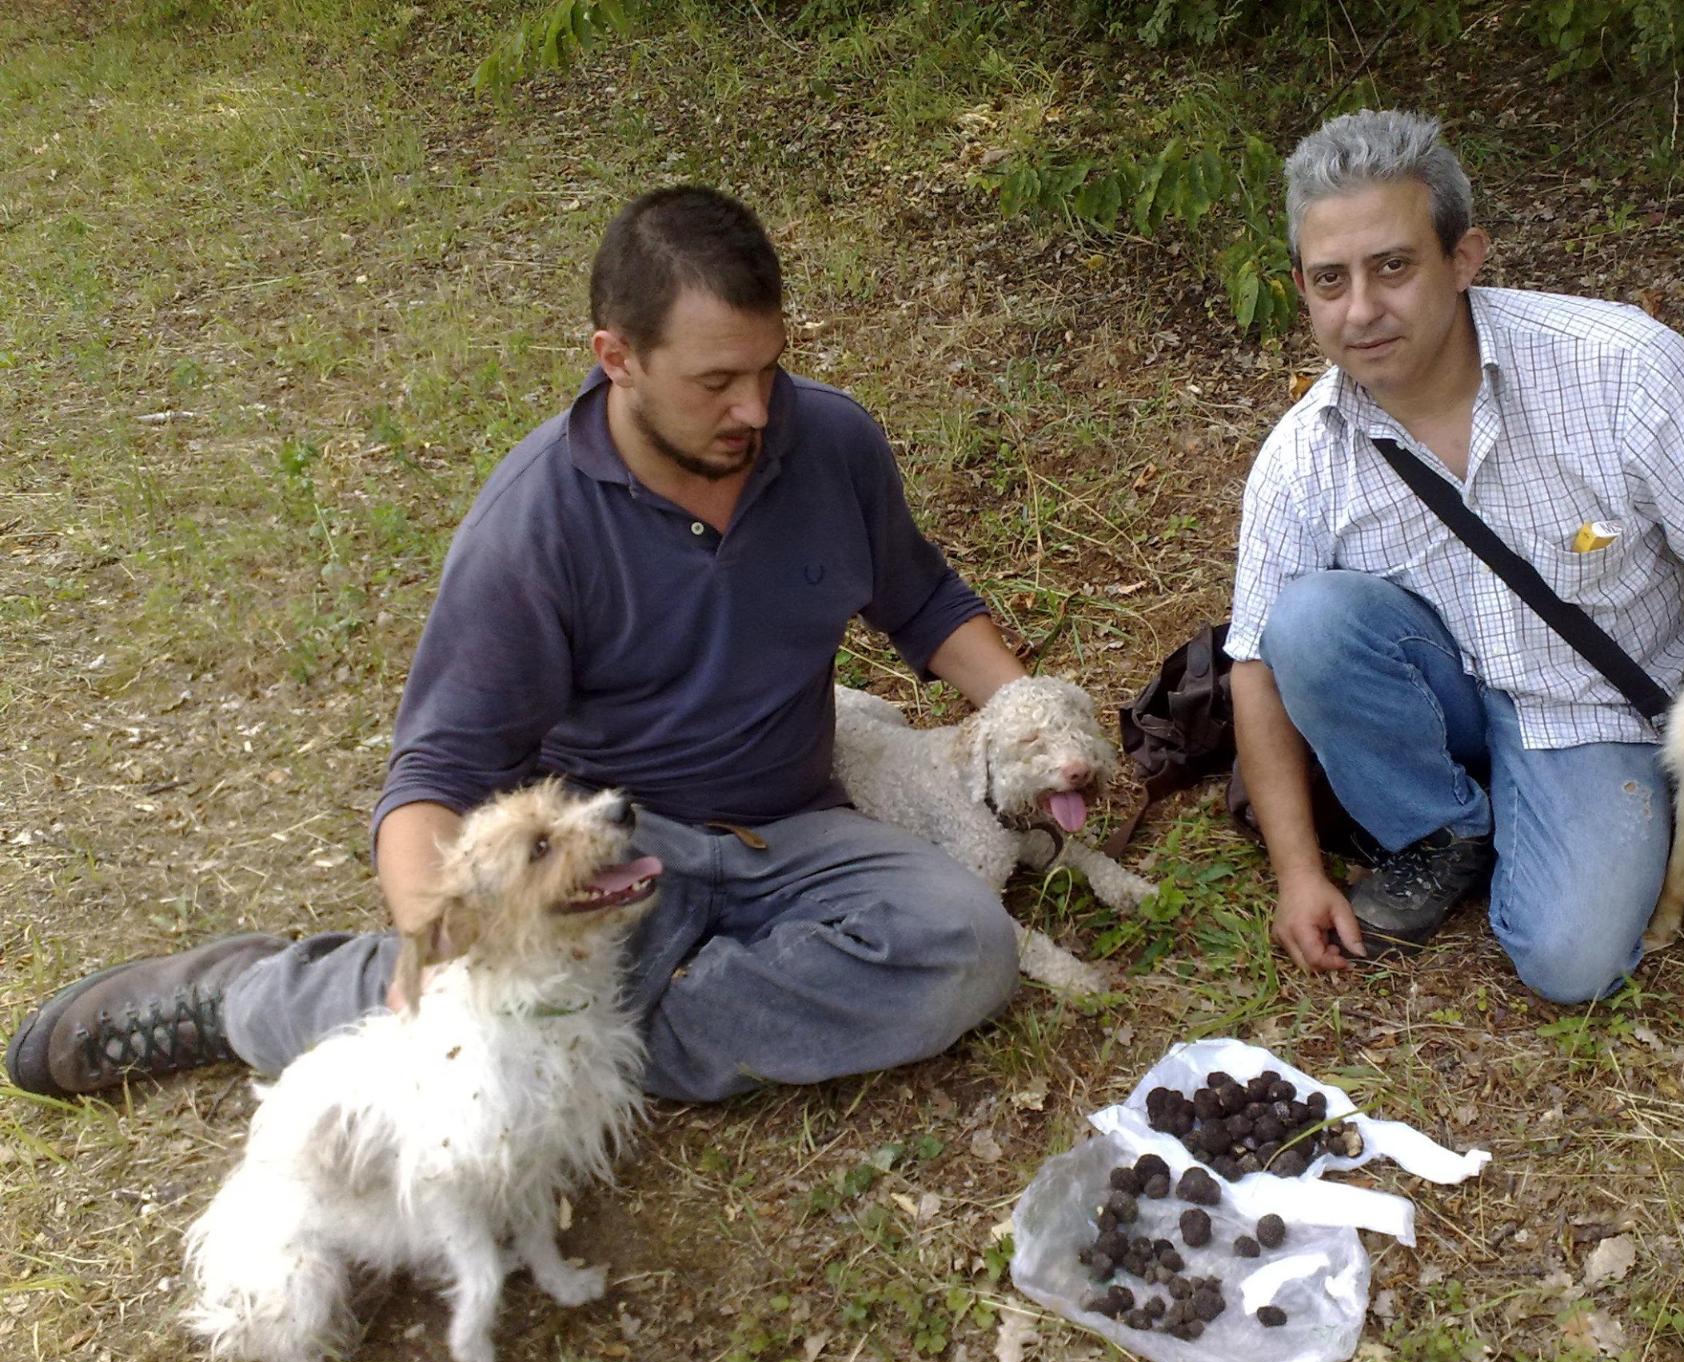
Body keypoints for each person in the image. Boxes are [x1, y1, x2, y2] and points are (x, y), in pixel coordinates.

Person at [8, 186, 1026, 1102]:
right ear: (616, 357)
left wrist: (1031, 719)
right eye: (716, 381)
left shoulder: (832, 442)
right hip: (615, 853)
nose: (754, 409)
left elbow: (922, 600)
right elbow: (437, 773)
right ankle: (255, 995)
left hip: (797, 829)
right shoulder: (532, 525)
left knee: (967, 949)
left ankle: (584, 1044)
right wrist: (441, 956)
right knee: (474, 1004)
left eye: (768, 369)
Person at [1227, 108, 1684, 1004]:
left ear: (1463, 258)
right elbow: (1253, 666)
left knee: (1572, 963)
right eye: (1330, 281)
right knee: (1306, 620)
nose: (1360, 310)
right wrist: (1297, 873)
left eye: (1391, 266)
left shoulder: (1621, 369)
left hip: (1594, 707)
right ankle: (1441, 827)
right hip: (1441, 687)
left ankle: (1562, 817)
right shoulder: (1300, 455)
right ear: (1304, 291)